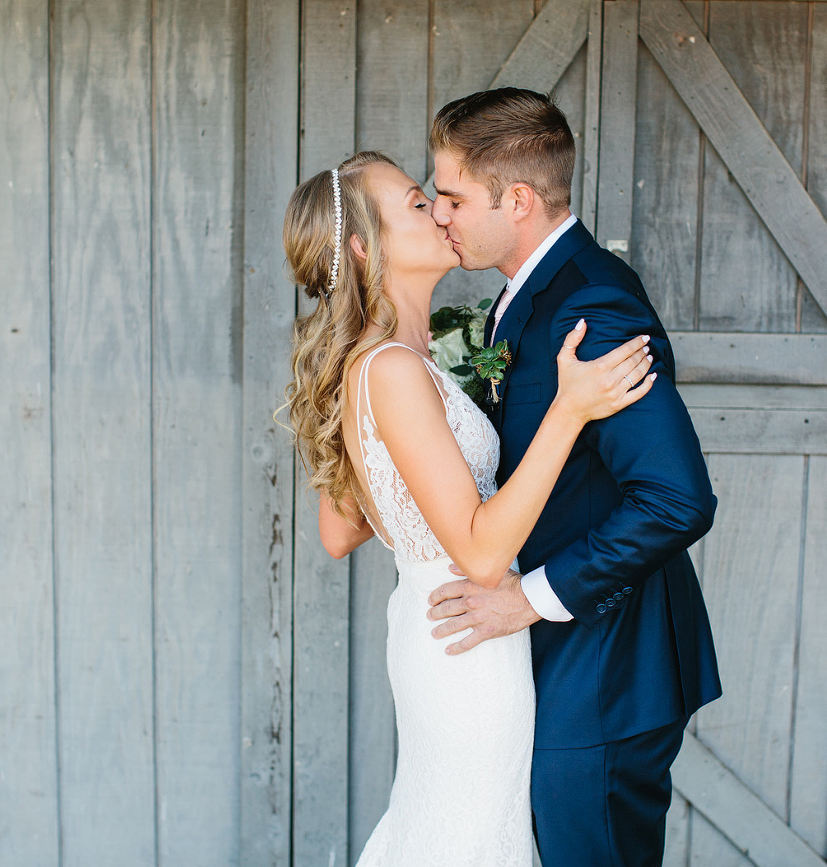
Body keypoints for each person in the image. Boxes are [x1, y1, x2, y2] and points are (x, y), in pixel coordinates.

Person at [282, 150, 656, 866]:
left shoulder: (392, 359)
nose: (440, 212)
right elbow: (482, 552)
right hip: (466, 640)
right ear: (364, 247)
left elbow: (340, 530)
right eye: (417, 204)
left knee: (448, 827)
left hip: (437, 628)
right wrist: (569, 409)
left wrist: (413, 481)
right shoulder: (390, 368)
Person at [424, 88, 722, 867]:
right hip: (569, 662)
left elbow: (676, 499)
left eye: (452, 196)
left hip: (607, 668)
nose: (438, 214)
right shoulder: (525, 298)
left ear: (515, 198)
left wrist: (525, 598)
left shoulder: (591, 304)